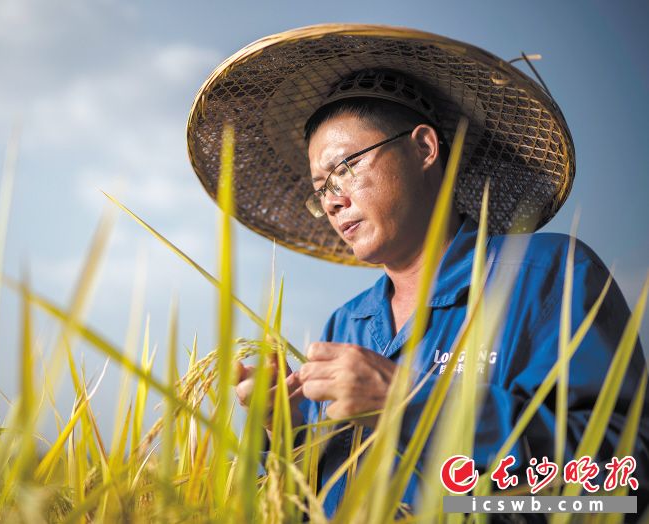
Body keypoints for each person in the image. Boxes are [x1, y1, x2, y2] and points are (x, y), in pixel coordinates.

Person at [186, 24, 649, 519]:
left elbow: (620, 486)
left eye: (346, 168)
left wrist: (409, 400)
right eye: (321, 188)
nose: (335, 200)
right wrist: (285, 436)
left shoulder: (545, 276)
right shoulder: (347, 326)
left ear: (424, 148)